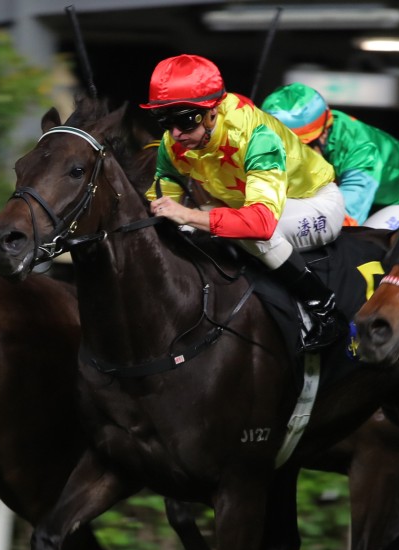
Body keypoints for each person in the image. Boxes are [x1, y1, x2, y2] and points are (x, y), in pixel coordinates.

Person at [142, 55, 348, 352]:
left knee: (244, 233)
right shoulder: (174, 141)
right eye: (165, 121)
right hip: (253, 208)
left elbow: (260, 224)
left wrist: (186, 214)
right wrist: (162, 212)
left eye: (185, 120)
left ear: (213, 111)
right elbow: (167, 181)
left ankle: (325, 310)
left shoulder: (256, 137)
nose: (175, 134)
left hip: (314, 204)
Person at [261, 83, 399, 230]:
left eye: (303, 147)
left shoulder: (361, 150)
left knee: (361, 245)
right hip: (346, 190)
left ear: (324, 133)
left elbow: (346, 218)